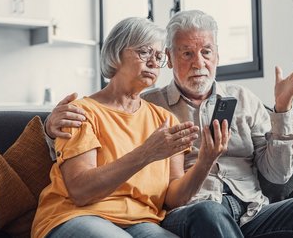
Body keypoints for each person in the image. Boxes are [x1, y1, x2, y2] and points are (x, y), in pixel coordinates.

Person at [45, 10, 293, 238]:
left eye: (206, 52)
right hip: (196, 211)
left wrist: (282, 110)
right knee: (209, 212)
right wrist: (49, 127)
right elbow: (85, 144)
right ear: (173, 57)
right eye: (186, 54)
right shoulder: (153, 105)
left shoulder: (238, 101)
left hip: (252, 209)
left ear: (217, 55)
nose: (198, 62)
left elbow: (279, 175)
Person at [31, 16, 232, 238]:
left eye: (158, 57)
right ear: (116, 54)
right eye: (144, 52)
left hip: (142, 221)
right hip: (77, 215)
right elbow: (81, 191)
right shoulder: (80, 112)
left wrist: (205, 160)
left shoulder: (164, 119)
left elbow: (173, 199)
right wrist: (147, 152)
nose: (154, 63)